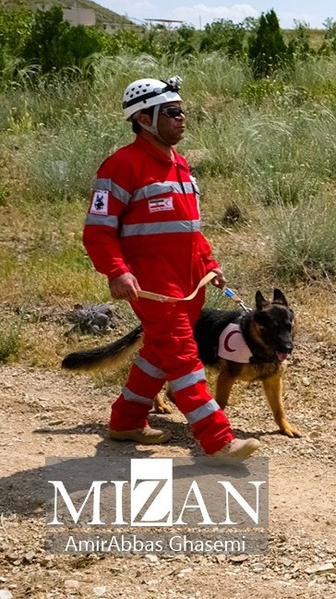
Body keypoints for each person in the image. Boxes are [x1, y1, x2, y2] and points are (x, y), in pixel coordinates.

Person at [82, 76, 259, 460]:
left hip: (189, 283)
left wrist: (209, 265)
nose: (183, 119)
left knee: (160, 353)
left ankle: (126, 419)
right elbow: (97, 231)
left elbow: (189, 229)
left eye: (183, 112)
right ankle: (218, 440)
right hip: (152, 287)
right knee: (181, 355)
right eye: (173, 112)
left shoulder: (179, 164)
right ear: (145, 119)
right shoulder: (120, 166)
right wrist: (116, 270)